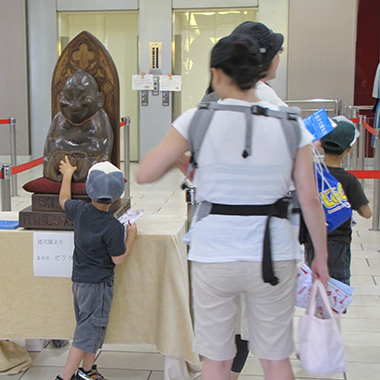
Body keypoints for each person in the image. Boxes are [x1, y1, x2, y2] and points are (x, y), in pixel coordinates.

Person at [136, 34, 329, 380]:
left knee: (216, 361)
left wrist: (181, 160)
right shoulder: (289, 123)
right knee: (275, 359)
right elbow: (310, 199)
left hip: (215, 255)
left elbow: (144, 172)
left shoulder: (197, 119)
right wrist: (320, 259)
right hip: (275, 255)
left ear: (217, 74)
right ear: (258, 72)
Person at [200, 21, 287, 380]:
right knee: (265, 336)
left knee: (220, 328)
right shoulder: (263, 99)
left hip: (214, 233)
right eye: (278, 51)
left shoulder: (213, 98)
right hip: (259, 235)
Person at [56, 157, 137, 380]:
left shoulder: (80, 211)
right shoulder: (112, 225)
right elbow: (119, 259)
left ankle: (87, 370)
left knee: (90, 328)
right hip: (98, 286)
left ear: (89, 189)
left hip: (79, 282)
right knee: (85, 334)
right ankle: (65, 377)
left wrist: (68, 174)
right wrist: (131, 237)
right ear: (119, 194)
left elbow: (63, 200)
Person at [304, 118, 372, 285]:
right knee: (335, 284)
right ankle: (330, 311)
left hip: (311, 237)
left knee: (314, 281)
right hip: (339, 242)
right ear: (349, 149)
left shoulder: (310, 173)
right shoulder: (349, 180)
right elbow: (367, 213)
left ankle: (315, 307)